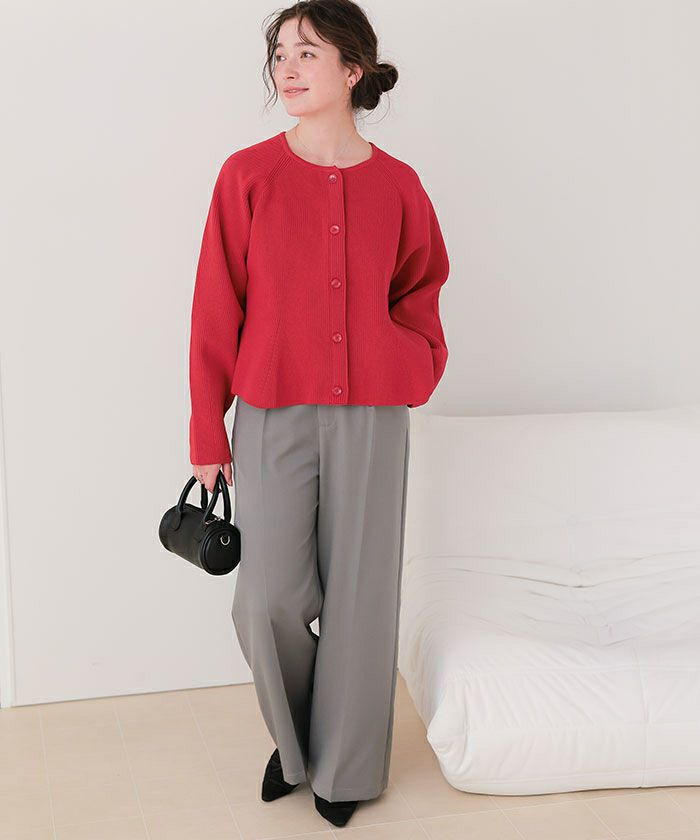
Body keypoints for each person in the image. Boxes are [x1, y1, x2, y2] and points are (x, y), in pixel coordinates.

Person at [187, 0, 449, 827]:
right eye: (280, 55)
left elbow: (421, 291)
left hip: (373, 416)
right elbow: (215, 307)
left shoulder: (399, 185)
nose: (287, 69)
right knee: (266, 597)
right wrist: (207, 428)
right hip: (272, 413)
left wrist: (412, 365)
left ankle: (345, 771)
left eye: (307, 52)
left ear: (352, 68)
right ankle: (300, 743)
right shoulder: (247, 176)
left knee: (362, 601)